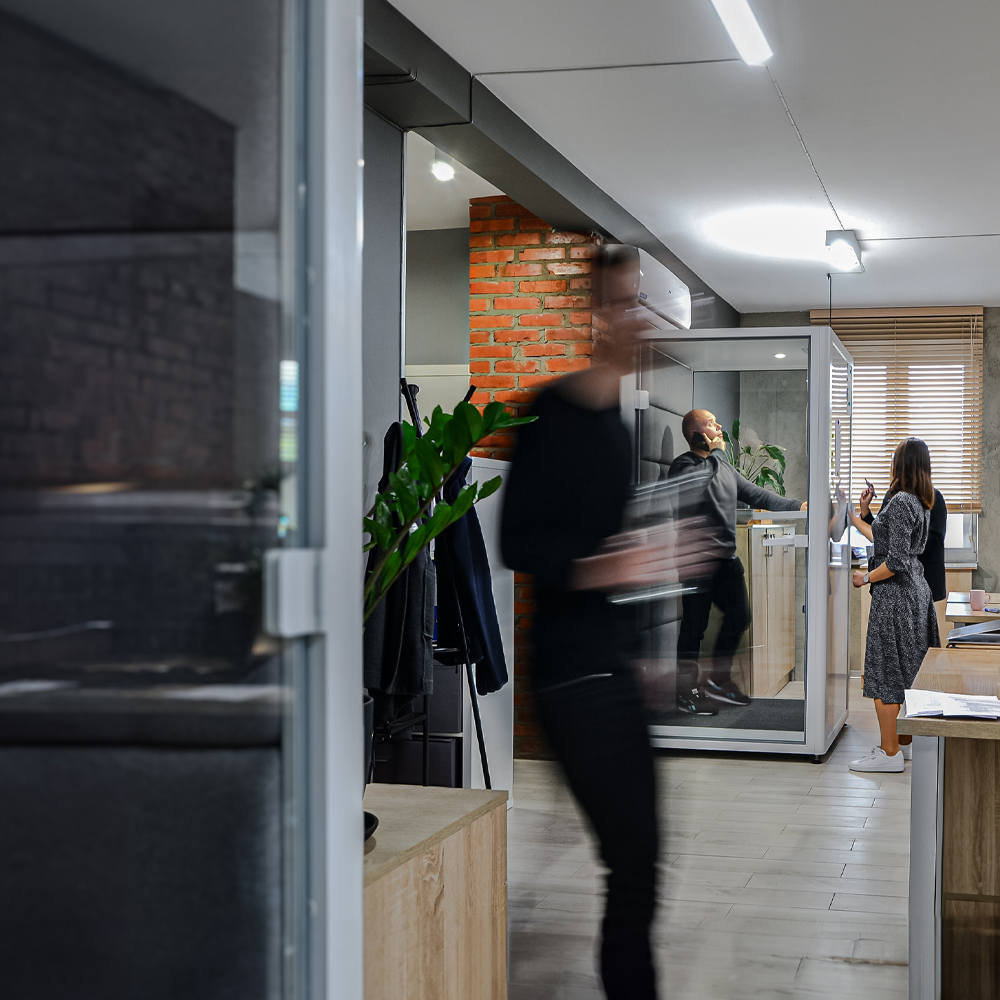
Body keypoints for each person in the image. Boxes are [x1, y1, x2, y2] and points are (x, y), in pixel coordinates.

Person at [500, 245, 715, 1000]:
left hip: (609, 667)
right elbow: (518, 544)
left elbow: (610, 552)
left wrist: (644, 652)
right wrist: (611, 567)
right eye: (627, 302)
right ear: (597, 314)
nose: (640, 319)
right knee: (631, 861)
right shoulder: (551, 412)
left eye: (645, 305)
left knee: (640, 860)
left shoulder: (618, 428)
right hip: (568, 676)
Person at [668, 410, 806, 716]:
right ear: (695, 434)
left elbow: (758, 495)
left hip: (726, 561)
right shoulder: (683, 466)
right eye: (711, 424)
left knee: (739, 617)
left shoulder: (724, 467)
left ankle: (718, 682)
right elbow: (702, 486)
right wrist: (717, 454)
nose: (719, 427)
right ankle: (685, 693)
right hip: (696, 562)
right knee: (694, 627)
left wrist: (799, 505)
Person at [849, 438, 940, 773]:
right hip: (914, 593)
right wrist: (863, 513)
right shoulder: (919, 501)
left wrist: (865, 578)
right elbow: (887, 540)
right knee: (906, 670)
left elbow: (896, 561)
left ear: (902, 464)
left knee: (885, 672)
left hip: (896, 597)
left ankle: (889, 754)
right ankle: (903, 743)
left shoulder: (901, 501)